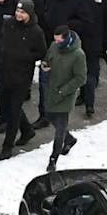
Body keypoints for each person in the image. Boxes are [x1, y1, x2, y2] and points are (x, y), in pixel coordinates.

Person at [0, 0, 45, 158]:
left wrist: (24, 56)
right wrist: (4, 51)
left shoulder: (36, 31)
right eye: (18, 11)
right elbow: (1, 39)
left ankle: (7, 146)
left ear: (29, 14)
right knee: (9, 107)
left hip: (21, 76)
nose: (19, 14)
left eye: (22, 12)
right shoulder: (8, 24)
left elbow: (41, 52)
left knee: (14, 111)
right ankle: (27, 130)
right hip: (4, 71)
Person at [43, 26, 84, 166]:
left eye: (59, 41)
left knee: (59, 128)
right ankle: (69, 139)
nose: (57, 43)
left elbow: (81, 78)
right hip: (52, 90)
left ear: (67, 39)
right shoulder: (54, 46)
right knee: (49, 115)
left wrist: (64, 90)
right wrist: (45, 65)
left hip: (65, 95)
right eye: (55, 40)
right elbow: (48, 58)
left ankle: (53, 158)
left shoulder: (78, 55)